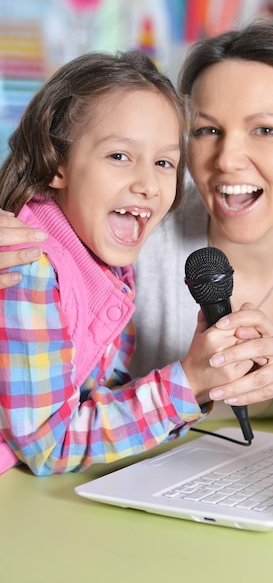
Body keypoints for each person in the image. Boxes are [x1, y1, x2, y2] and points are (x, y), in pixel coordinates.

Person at [1, 20, 273, 440]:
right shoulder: (141, 219)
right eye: (207, 131)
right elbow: (51, 205)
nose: (228, 159)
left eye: (265, 130)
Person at [0, 49, 254, 476]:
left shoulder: (106, 262)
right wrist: (185, 384)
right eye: (119, 156)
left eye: (163, 163)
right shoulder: (30, 265)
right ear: (57, 161)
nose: (148, 185)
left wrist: (196, 383)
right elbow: (48, 444)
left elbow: (98, 393)